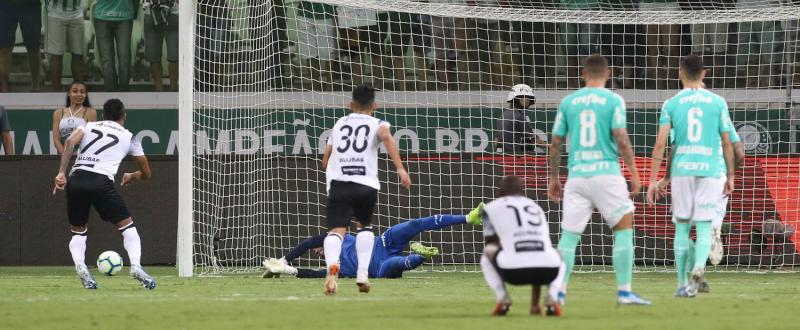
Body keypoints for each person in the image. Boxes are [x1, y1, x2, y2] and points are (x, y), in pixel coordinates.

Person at [548, 54, 650, 305]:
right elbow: (621, 138)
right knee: (623, 228)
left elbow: (555, 143)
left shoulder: (569, 102)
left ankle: (558, 291)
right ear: (608, 74)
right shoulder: (614, 100)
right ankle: (624, 292)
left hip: (578, 176)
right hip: (606, 173)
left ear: (583, 74)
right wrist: (635, 174)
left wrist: (554, 177)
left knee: (569, 237)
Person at [646, 54, 735, 298]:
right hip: (710, 170)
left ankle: (682, 285)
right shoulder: (717, 102)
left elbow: (662, 145)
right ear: (704, 74)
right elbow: (727, 143)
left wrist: (655, 180)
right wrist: (732, 176)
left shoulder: (671, 104)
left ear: (680, 73)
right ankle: (698, 271)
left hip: (684, 170)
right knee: (705, 226)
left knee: (682, 229)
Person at [52, 98, 156, 290]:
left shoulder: (88, 126)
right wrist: (133, 175)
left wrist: (61, 172)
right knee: (127, 226)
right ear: (124, 116)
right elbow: (147, 173)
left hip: (77, 179)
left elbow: (70, 142)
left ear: (103, 115)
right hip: (101, 182)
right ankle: (135, 266)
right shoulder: (129, 136)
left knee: (78, 231)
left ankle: (81, 266)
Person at [320, 84, 412, 295]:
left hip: (339, 183)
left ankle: (332, 271)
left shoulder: (339, 123)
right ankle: (362, 274)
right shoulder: (378, 123)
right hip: (365, 184)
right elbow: (387, 137)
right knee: (364, 227)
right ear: (375, 105)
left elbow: (326, 159)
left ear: (350, 104)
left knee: (336, 232)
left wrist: (331, 164)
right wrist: (400, 169)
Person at [263, 205, 484, 279]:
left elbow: (307, 242)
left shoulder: (340, 237)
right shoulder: (337, 270)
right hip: (377, 268)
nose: (319, 250)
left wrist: (284, 258)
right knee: (398, 264)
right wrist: (285, 269)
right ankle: (423, 255)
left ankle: (468, 218)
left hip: (383, 243)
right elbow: (312, 274)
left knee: (414, 224)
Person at [481, 176, 565, 317]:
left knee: (487, 252)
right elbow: (539, 249)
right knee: (557, 254)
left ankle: (503, 298)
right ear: (522, 192)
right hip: (548, 270)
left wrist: (508, 242)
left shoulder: (491, 208)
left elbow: (490, 242)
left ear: (500, 192)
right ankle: (552, 296)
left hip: (512, 272)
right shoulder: (535, 207)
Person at [45, 0, 87, 92]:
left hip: (77, 12)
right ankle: (56, 93)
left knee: (78, 54)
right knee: (57, 54)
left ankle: (79, 92)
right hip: (55, 13)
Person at [0, 0, 42, 92]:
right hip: (5, 5)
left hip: (31, 5)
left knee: (33, 46)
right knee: (4, 47)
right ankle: (3, 87)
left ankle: (35, 86)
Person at [93, 0, 135, 91]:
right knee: (106, 59)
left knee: (124, 56)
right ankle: (110, 90)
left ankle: (124, 89)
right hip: (102, 16)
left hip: (124, 16)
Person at [640, 0, 681, 89]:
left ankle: (673, 86)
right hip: (647, 5)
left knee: (671, 49)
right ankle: (659, 87)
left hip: (669, 4)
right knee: (654, 50)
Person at [560, 0, 601, 88]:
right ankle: (574, 87)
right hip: (567, 9)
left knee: (588, 49)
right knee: (569, 51)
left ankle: (592, 85)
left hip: (590, 8)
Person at [495, 84, 545, 153]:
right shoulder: (518, 116)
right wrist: (551, 146)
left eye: (528, 97)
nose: (527, 100)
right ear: (515, 98)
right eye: (523, 97)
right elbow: (534, 140)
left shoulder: (502, 116)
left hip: (505, 158)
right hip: (519, 158)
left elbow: (497, 142)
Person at [143, 0, 179, 92]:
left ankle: (173, 90)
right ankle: (159, 91)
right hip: (151, 11)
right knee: (153, 56)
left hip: (174, 12)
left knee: (175, 56)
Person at [52, 81, 97, 154]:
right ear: (69, 93)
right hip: (62, 158)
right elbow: (56, 139)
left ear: (85, 95)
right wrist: (65, 155)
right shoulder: (58, 113)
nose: (79, 94)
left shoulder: (91, 112)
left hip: (82, 157)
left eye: (82, 92)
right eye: (75, 91)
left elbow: (92, 138)